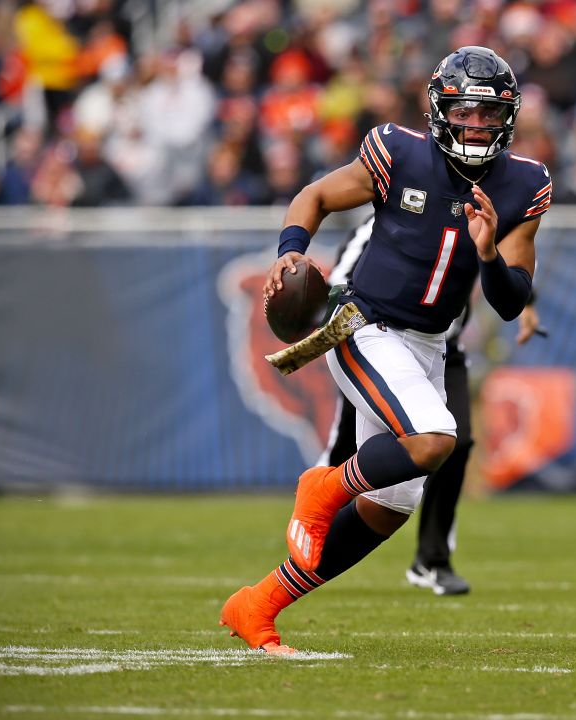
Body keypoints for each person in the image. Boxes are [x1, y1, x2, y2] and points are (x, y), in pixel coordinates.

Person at [221, 46, 551, 653]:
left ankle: (258, 606)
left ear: (507, 117)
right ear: (440, 110)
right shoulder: (397, 153)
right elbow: (313, 197)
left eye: (488, 114)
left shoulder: (525, 184)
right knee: (434, 441)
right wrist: (291, 252)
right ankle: (321, 489)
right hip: (364, 327)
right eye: (465, 111)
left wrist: (487, 254)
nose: (476, 125)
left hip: (429, 343)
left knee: (392, 504)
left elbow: (511, 298)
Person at [321, 217, 542, 597]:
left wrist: (528, 304)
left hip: (442, 346)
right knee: (347, 444)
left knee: (455, 441)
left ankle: (433, 559)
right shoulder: (386, 217)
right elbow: (338, 280)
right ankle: (317, 522)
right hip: (380, 343)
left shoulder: (467, 213)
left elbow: (504, 254)